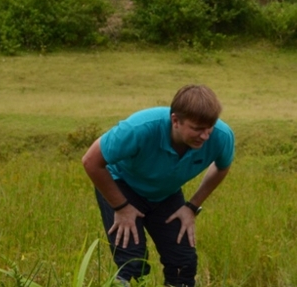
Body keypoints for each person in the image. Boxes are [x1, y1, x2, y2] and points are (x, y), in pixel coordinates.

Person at [82, 84, 235, 287]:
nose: (205, 136)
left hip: (166, 195)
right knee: (132, 263)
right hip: (122, 185)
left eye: (209, 128)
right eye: (197, 129)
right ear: (175, 121)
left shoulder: (222, 136)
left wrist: (192, 206)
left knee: (183, 263)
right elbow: (91, 161)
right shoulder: (139, 128)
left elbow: (222, 167)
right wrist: (121, 207)